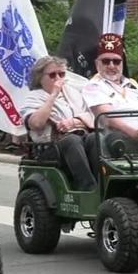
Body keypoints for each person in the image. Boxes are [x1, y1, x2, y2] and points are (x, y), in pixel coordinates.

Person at [84, 34, 138, 156]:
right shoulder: (94, 87)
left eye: (116, 61)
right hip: (123, 139)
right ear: (97, 64)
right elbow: (108, 118)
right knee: (121, 140)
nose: (111, 66)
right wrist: (133, 133)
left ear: (122, 63)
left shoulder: (137, 87)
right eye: (105, 61)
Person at [20, 56, 97, 191]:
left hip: (79, 136)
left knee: (95, 139)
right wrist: (54, 94)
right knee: (71, 141)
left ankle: (103, 184)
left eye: (61, 74)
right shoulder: (34, 97)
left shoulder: (72, 93)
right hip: (49, 146)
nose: (58, 78)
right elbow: (36, 123)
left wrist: (75, 121)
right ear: (40, 77)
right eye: (52, 75)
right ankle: (88, 189)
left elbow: (91, 116)